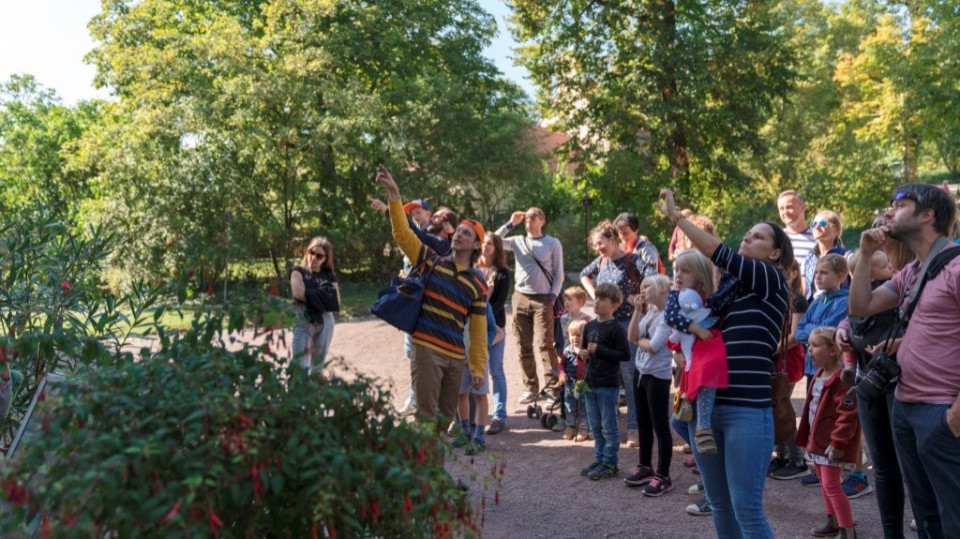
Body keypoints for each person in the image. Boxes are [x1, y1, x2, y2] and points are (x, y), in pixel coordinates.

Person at [657, 188, 792, 539]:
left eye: (759, 235)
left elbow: (718, 252)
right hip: (709, 407)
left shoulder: (770, 280)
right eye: (748, 232)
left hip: (747, 409)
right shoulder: (725, 292)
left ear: (775, 252)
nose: (749, 236)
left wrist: (678, 218)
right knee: (719, 504)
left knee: (747, 509)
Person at [849, 183, 960, 538]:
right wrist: (865, 256)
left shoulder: (956, 266)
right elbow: (860, 307)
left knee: (954, 515)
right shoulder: (913, 270)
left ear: (928, 214)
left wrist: (956, 414)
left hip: (941, 410)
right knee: (927, 515)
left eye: (900, 204)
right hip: (906, 405)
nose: (889, 211)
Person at [373, 165, 487, 432]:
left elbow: (479, 330)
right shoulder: (430, 261)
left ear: (477, 245)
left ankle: (431, 470)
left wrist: (478, 367)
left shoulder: (477, 283)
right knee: (426, 417)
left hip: (455, 357)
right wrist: (395, 196)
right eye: (458, 231)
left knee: (444, 420)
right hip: (426, 349)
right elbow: (403, 233)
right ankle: (425, 473)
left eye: (466, 234)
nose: (458, 234)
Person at [580, 220, 658, 448]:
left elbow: (652, 276)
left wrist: (642, 298)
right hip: (605, 323)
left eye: (600, 243)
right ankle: (607, 426)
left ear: (612, 240)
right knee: (607, 374)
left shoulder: (632, 260)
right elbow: (585, 274)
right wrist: (595, 294)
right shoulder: (602, 261)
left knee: (630, 375)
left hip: (627, 324)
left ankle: (635, 427)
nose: (598, 248)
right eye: (595, 245)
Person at [796, 327, 862, 539]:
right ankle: (832, 520)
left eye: (815, 346)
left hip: (831, 444)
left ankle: (847, 529)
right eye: (809, 346)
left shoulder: (842, 380)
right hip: (819, 441)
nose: (810, 351)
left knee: (832, 484)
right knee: (825, 484)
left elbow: (848, 415)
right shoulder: (818, 374)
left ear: (833, 350)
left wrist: (838, 442)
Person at [495, 207, 565, 404]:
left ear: (542, 220)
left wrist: (553, 296)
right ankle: (530, 387)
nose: (529, 220)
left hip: (544, 299)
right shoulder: (518, 241)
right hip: (520, 298)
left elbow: (559, 272)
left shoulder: (552, 243)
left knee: (545, 343)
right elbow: (493, 241)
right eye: (526, 217)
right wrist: (511, 223)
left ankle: (553, 390)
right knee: (523, 344)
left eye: (533, 217)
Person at [666, 250, 728, 455]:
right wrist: (695, 329)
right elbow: (671, 317)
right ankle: (699, 444)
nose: (678, 275)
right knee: (679, 419)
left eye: (685, 271)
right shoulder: (674, 295)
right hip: (690, 344)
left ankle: (703, 429)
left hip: (706, 345)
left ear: (700, 275)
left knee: (707, 369)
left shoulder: (712, 298)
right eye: (676, 270)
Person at [624, 274, 676, 496]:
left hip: (658, 375)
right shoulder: (651, 312)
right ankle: (645, 466)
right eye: (642, 286)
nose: (642, 290)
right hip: (641, 371)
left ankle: (663, 475)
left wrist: (639, 342)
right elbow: (631, 336)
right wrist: (637, 310)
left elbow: (654, 346)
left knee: (660, 425)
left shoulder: (668, 315)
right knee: (643, 422)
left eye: (648, 286)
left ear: (663, 289)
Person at [576, 283, 631, 480]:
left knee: (609, 426)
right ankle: (599, 458)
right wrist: (583, 354)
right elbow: (584, 351)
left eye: (602, 300)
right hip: (590, 383)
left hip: (608, 385)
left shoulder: (616, 328)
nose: (596, 302)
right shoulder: (589, 326)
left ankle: (610, 463)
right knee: (595, 426)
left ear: (615, 304)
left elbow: (624, 354)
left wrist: (600, 350)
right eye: (596, 298)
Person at [767, 259, 810, 480]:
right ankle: (782, 456)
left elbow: (794, 336)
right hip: (775, 358)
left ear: (794, 273)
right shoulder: (774, 297)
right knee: (775, 406)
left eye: (784, 272)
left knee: (783, 407)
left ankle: (798, 460)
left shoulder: (798, 301)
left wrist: (769, 349)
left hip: (786, 359)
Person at [478, 233, 512, 435]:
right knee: (474, 370)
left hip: (495, 327)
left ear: (497, 248)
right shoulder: (471, 267)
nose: (485, 246)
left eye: (490, 243)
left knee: (496, 370)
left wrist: (482, 312)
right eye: (483, 242)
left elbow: (499, 303)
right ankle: (472, 417)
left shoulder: (502, 273)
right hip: (471, 327)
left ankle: (499, 415)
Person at [289, 236, 340, 371]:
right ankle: (295, 393)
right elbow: (298, 293)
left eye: (319, 256)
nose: (313, 258)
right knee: (299, 367)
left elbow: (335, 302)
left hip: (325, 321)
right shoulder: (297, 271)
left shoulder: (329, 275)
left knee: (317, 367)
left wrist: (309, 293)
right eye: (311, 252)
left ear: (326, 259)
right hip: (303, 319)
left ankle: (316, 392)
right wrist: (322, 295)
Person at [802, 210, 851, 299]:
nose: (816, 227)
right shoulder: (808, 257)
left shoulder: (846, 256)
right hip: (813, 309)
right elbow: (804, 291)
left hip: (837, 308)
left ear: (837, 229)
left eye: (823, 223)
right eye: (813, 223)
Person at [559, 319, 591, 442]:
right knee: (569, 406)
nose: (575, 338)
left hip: (584, 384)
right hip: (570, 384)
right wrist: (562, 374)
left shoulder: (586, 351)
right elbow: (561, 364)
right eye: (572, 335)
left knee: (584, 407)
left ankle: (584, 428)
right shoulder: (567, 351)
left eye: (579, 335)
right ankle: (570, 427)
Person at [777, 190, 816, 264]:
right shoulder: (776, 237)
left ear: (802, 208)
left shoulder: (819, 237)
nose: (785, 212)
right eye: (781, 209)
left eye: (789, 207)